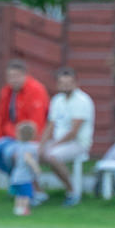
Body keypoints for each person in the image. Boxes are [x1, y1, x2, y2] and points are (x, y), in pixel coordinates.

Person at [0, 60, 49, 178]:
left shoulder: (36, 90)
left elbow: (37, 122)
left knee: (9, 153)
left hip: (27, 138)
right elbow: (0, 118)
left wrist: (26, 141)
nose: (13, 80)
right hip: (10, 135)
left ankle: (25, 184)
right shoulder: (7, 91)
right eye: (10, 76)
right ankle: (15, 178)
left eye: (17, 76)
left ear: (25, 75)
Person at [39, 67, 95, 206]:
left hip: (78, 143)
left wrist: (52, 145)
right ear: (57, 84)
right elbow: (50, 125)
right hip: (59, 142)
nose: (65, 85)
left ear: (76, 83)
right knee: (29, 153)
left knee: (52, 155)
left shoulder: (82, 101)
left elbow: (73, 132)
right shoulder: (57, 100)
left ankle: (72, 191)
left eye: (69, 82)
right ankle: (37, 193)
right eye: (62, 83)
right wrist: (41, 145)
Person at [8, 121, 41, 216]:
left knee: (19, 195)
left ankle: (18, 209)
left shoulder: (18, 146)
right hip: (24, 177)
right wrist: (36, 168)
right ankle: (25, 210)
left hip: (16, 176)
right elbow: (28, 158)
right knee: (26, 195)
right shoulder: (31, 147)